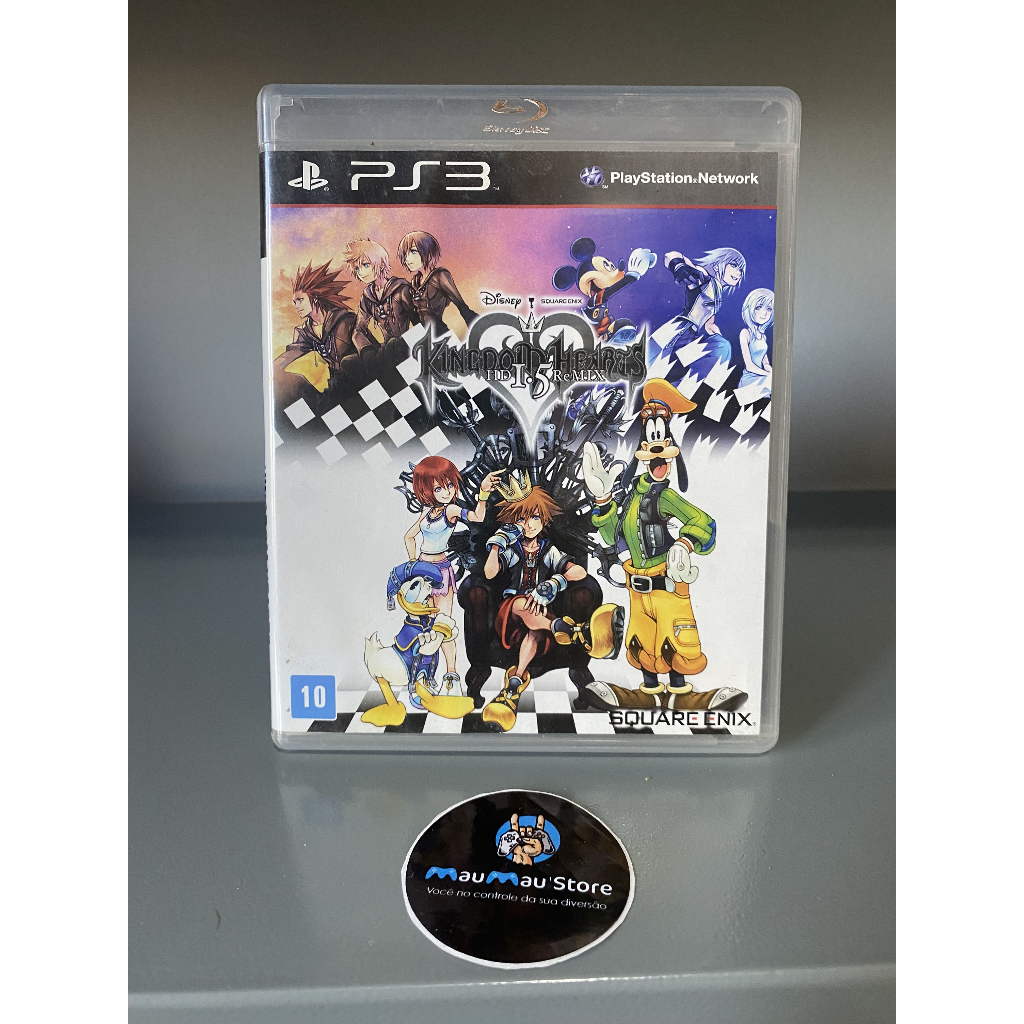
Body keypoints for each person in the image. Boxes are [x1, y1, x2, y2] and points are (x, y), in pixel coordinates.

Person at [580, 378, 746, 712]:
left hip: (668, 586)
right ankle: (649, 692)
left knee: (676, 643)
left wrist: (684, 543)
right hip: (637, 589)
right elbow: (613, 537)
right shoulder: (631, 497)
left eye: (663, 442)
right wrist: (603, 499)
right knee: (643, 645)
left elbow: (704, 522)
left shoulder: (666, 496)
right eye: (652, 442)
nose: (659, 455)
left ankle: (682, 694)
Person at [480, 470, 621, 732]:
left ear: (544, 519)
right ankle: (574, 631)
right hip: (511, 614)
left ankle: (514, 685)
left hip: (540, 616)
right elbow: (489, 573)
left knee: (534, 634)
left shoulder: (547, 549)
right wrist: (497, 545)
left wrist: (555, 582)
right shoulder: (512, 549)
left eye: (535, 517)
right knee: (522, 604)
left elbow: (579, 572)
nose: (529, 524)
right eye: (522, 519)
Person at [402, 457, 501, 700]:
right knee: (423, 626)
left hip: (440, 573)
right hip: (422, 572)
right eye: (439, 488)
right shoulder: (427, 512)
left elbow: (477, 517)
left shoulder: (451, 510)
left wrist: (483, 494)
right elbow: (409, 537)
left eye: (449, 485)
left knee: (442, 625)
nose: (446, 492)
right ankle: (424, 676)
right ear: (426, 490)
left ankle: (451, 676)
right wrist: (413, 564)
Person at [649, 247, 746, 380]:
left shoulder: (717, 293)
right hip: (678, 332)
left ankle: (676, 387)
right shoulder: (704, 278)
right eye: (734, 265)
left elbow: (709, 323)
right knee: (651, 366)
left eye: (740, 269)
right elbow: (670, 255)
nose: (738, 272)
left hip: (691, 336)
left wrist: (718, 338)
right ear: (717, 266)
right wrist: (679, 267)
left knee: (722, 347)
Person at [273, 261, 357, 411]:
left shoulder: (344, 321)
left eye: (300, 300)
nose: (296, 306)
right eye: (294, 302)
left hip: (357, 384)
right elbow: (290, 354)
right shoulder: (306, 331)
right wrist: (271, 370)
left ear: (315, 297)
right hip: (333, 388)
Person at [396, 231, 477, 337]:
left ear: (428, 252)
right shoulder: (415, 281)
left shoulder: (440, 276)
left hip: (441, 336)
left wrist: (479, 329)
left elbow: (462, 307)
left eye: (413, 251)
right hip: (425, 337)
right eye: (405, 254)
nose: (407, 259)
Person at [736, 288, 774, 399]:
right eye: (758, 307)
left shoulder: (763, 336)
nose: (764, 313)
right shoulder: (745, 333)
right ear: (750, 308)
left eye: (769, 309)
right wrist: (768, 375)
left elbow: (765, 363)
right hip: (749, 380)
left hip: (763, 377)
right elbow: (749, 366)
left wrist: (772, 372)